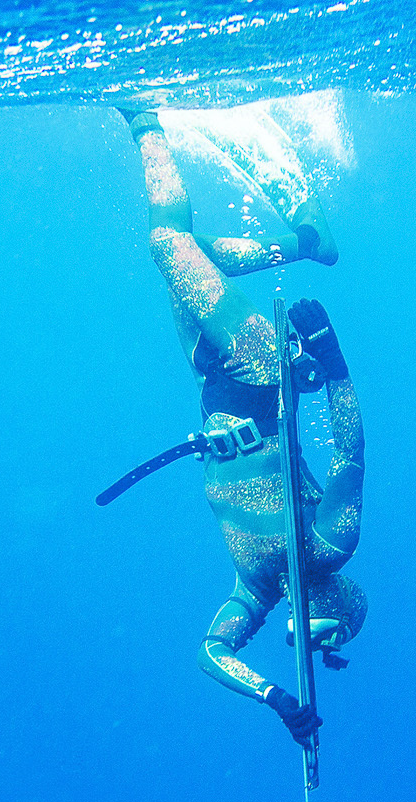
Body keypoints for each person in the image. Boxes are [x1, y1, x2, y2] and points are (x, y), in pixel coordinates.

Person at [120, 108, 366, 749]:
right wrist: (334, 364)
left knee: (189, 252)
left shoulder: (255, 590)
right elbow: (349, 456)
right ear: (334, 604)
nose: (311, 629)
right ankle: (143, 117)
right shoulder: (330, 547)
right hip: (260, 370)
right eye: (326, 627)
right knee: (168, 245)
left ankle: (307, 243)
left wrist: (277, 700)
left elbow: (211, 651)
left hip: (208, 387)